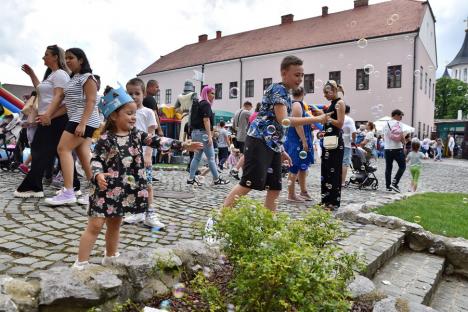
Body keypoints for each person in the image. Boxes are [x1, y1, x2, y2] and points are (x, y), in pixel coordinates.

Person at [72, 85, 202, 269]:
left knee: (115, 224)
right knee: (95, 225)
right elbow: (96, 160)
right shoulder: (104, 139)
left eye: (134, 113)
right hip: (103, 189)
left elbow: (158, 141)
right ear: (114, 116)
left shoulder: (136, 135)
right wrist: (98, 174)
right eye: (129, 113)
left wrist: (182, 145)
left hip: (122, 190)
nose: (134, 117)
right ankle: (81, 262)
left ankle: (110, 256)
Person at [224, 55, 329, 211]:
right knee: (248, 183)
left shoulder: (286, 93)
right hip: (259, 141)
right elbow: (283, 120)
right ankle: (219, 218)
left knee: (275, 187)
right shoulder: (278, 90)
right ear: (284, 73)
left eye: (301, 75)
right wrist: (316, 119)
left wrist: (281, 149)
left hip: (271, 144)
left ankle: (268, 226)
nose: (300, 79)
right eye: (296, 75)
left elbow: (277, 127)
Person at [43, 48, 101, 206]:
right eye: (66, 58)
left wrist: (82, 123)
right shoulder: (73, 78)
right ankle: (98, 192)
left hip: (83, 120)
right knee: (83, 155)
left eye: (71, 58)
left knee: (63, 149)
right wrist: (50, 116)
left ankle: (69, 191)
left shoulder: (88, 78)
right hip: (77, 118)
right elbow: (68, 105)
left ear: (81, 60)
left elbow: (91, 101)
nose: (67, 60)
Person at [14, 45, 72, 198]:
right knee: (56, 152)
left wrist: (48, 115)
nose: (43, 57)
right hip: (49, 118)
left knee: (41, 150)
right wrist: (31, 73)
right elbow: (40, 89)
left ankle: (33, 186)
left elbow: (60, 96)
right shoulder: (52, 75)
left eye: (46, 54)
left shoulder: (60, 74)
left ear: (55, 57)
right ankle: (73, 186)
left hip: (55, 118)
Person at [122, 78, 165, 229]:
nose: (133, 96)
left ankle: (150, 213)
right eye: (130, 93)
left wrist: (148, 155)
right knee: (131, 182)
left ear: (144, 94)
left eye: (137, 93)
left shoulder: (148, 112)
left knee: (147, 184)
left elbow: (151, 136)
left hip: (143, 154)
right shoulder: (125, 112)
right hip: (129, 154)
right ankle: (138, 211)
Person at [187, 85, 229, 186]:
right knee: (211, 158)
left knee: (196, 157)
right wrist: (210, 136)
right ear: (206, 93)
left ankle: (191, 179)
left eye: (214, 93)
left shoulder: (197, 103)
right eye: (212, 93)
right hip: (203, 133)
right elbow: (206, 120)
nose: (214, 96)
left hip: (195, 133)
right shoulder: (206, 104)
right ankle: (216, 179)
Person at [284, 87, 314, 202]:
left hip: (299, 140)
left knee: (303, 166)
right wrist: (304, 141)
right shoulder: (296, 104)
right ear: (303, 93)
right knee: (295, 167)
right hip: (297, 140)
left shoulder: (296, 104)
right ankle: (291, 195)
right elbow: (298, 125)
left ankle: (303, 191)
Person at [321, 80, 345, 210]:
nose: (325, 95)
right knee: (326, 169)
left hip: (335, 141)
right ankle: (325, 199)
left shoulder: (340, 103)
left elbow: (340, 123)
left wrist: (327, 118)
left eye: (327, 92)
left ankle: (333, 202)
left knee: (334, 171)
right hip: (329, 139)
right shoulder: (332, 104)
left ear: (334, 90)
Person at [229, 102, 259, 180]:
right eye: (250, 107)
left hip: (237, 136)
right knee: (245, 154)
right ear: (248, 106)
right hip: (244, 136)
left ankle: (239, 171)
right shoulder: (247, 112)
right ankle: (240, 171)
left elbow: (233, 126)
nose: (250, 109)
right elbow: (255, 120)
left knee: (241, 154)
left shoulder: (236, 112)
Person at [383, 109, 406, 193]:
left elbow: (384, 136)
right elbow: (402, 136)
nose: (401, 118)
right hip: (397, 148)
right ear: (396, 115)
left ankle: (388, 186)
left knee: (388, 167)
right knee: (402, 166)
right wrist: (404, 143)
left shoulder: (385, 124)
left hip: (387, 149)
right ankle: (395, 183)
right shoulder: (399, 124)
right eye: (400, 116)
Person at [341, 105, 356, 186]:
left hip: (336, 142)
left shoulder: (337, 117)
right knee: (344, 162)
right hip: (346, 143)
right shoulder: (349, 119)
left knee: (336, 162)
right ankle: (342, 182)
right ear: (349, 111)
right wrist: (353, 141)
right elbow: (353, 132)